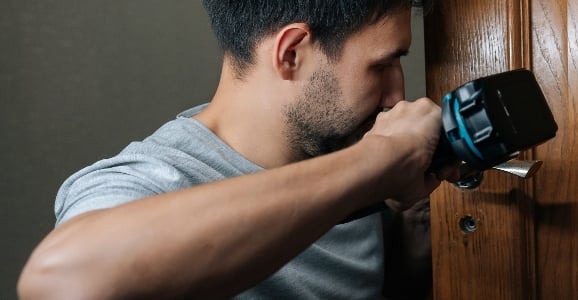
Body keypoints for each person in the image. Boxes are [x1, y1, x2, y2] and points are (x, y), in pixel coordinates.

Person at [17, 0, 455, 298]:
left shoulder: (340, 149)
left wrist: (411, 240)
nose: (397, 95)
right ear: (291, 53)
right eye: (382, 64)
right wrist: (378, 159)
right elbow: (59, 279)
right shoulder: (155, 177)